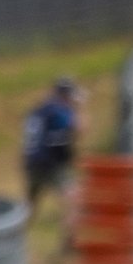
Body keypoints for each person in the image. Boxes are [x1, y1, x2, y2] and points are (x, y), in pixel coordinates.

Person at [21, 77, 81, 214]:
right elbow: (76, 128)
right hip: (50, 160)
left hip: (31, 160)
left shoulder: (39, 109)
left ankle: (17, 231)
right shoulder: (58, 109)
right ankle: (71, 236)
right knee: (73, 199)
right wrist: (78, 109)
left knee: (30, 203)